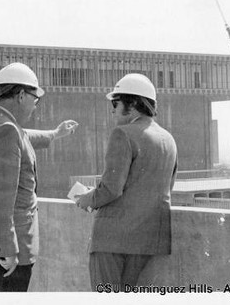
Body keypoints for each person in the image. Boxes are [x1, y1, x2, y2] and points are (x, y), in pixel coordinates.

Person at [0, 62, 78, 292]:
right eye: (35, 99)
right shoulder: (6, 131)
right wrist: (8, 249)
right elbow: (0, 199)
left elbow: (22, 137)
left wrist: (55, 134)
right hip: (6, 253)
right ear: (21, 95)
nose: (35, 106)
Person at [75, 73, 177, 291]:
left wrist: (87, 199)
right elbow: (164, 189)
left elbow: (111, 189)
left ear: (132, 105)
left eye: (115, 103)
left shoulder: (122, 134)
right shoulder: (168, 140)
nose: (112, 110)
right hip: (150, 242)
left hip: (112, 242)